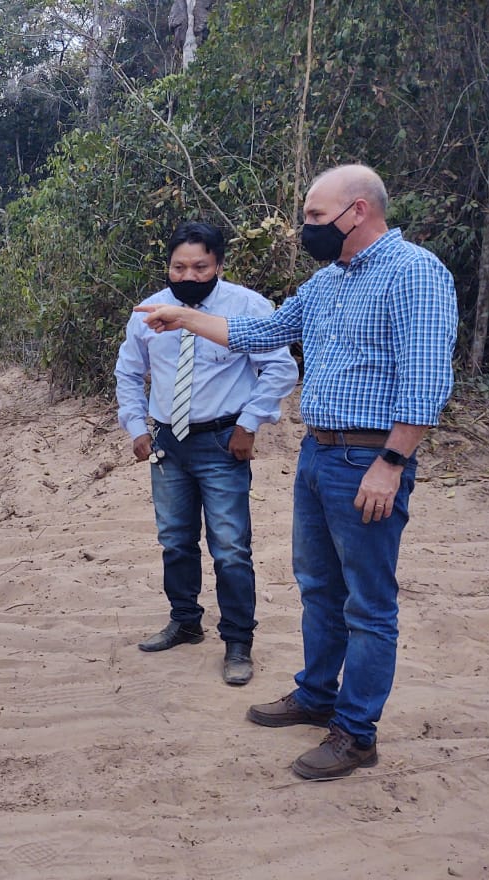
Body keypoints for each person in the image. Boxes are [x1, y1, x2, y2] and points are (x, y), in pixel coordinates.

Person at [137, 165, 458, 779]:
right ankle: (316, 695)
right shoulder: (327, 282)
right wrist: (182, 318)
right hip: (319, 454)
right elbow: (262, 331)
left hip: (369, 457)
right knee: (318, 587)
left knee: (368, 604)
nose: (304, 228)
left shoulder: (413, 273)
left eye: (314, 217)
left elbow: (426, 382)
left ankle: (356, 732)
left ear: (357, 211)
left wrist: (392, 462)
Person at [115, 222, 298, 686]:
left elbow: (280, 369)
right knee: (175, 540)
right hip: (168, 444)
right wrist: (137, 427)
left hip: (223, 443)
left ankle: (238, 642)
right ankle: (185, 621)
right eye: (179, 266)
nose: (189, 275)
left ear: (218, 264)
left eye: (200, 266)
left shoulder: (247, 308)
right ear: (168, 266)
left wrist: (249, 424)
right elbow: (128, 371)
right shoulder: (148, 312)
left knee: (231, 547)